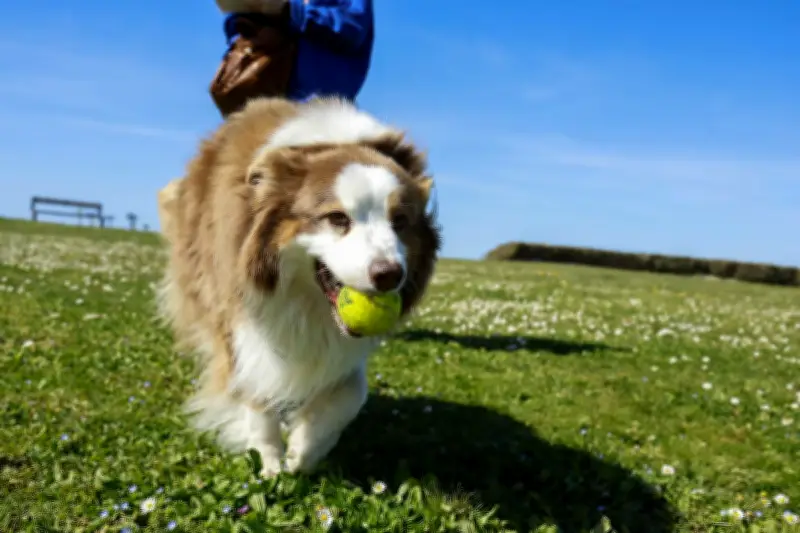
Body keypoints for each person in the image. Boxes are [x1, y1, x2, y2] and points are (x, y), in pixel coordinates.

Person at [214, 0, 375, 103]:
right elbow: (233, 30)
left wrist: (292, 12)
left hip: (325, 109)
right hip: (268, 102)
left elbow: (352, 28)